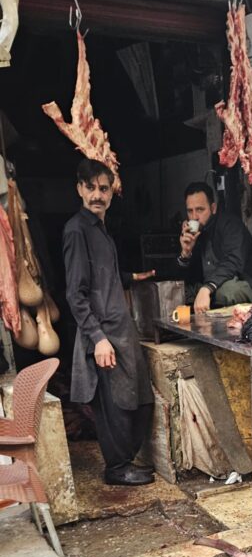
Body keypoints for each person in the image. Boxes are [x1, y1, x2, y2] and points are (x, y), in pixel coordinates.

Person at [63, 157, 156, 486]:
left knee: (139, 401)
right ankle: (116, 468)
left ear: (112, 192)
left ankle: (126, 461)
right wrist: (97, 338)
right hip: (103, 335)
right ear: (79, 189)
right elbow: (76, 293)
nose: (96, 194)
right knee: (114, 406)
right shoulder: (77, 230)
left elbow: (103, 276)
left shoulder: (101, 230)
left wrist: (131, 277)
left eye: (103, 188)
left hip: (121, 331)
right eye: (90, 188)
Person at [176, 181, 252, 312]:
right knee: (179, 292)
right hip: (209, 286)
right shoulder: (193, 233)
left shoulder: (230, 224)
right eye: (190, 211)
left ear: (213, 208)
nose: (194, 217)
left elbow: (233, 261)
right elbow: (184, 279)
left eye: (200, 210)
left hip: (242, 282)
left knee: (227, 292)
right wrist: (185, 253)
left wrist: (207, 288)